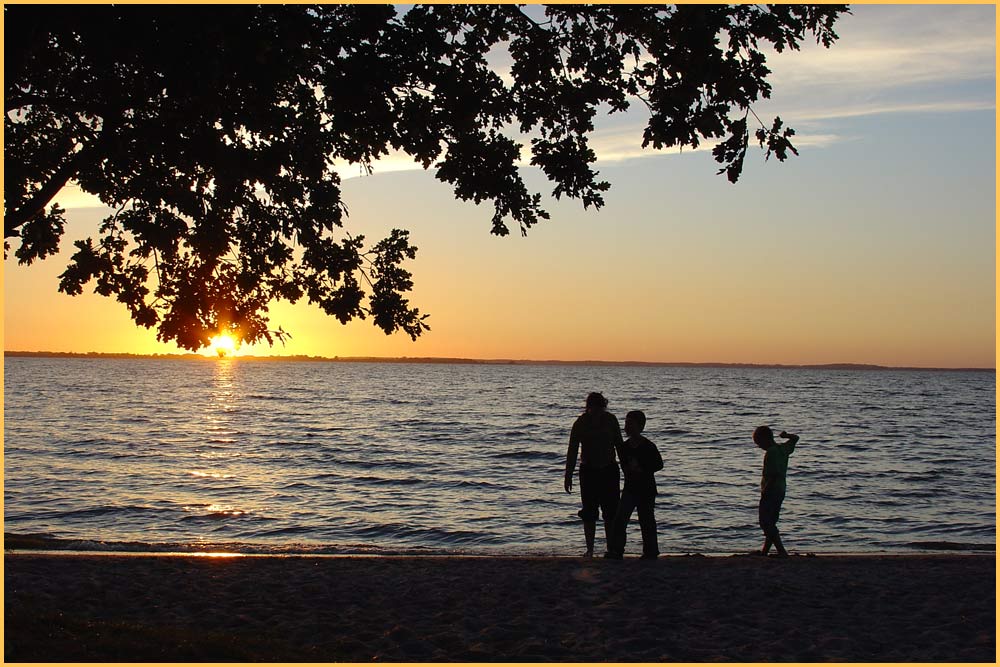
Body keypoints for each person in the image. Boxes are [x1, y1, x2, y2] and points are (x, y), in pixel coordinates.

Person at [565, 392, 624, 557]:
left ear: (603, 407)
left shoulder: (611, 420)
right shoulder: (581, 423)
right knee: (589, 512)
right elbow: (572, 449)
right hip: (588, 470)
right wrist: (568, 474)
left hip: (609, 470)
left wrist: (627, 469)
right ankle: (590, 549)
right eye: (593, 408)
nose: (596, 412)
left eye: (599, 408)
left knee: (611, 512)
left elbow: (619, 445)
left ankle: (611, 548)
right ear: (588, 407)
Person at [607, 410, 663, 559]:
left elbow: (658, 464)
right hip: (630, 488)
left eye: (630, 424)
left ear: (640, 426)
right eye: (626, 423)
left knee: (647, 521)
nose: (627, 427)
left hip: (646, 488)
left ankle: (650, 551)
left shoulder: (648, 446)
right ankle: (616, 550)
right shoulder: (624, 447)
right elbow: (624, 465)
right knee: (620, 519)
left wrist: (642, 468)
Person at [753, 425, 800, 557]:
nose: (759, 447)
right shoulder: (783, 449)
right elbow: (796, 438)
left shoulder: (771, 453)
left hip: (771, 491)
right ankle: (765, 551)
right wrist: (786, 436)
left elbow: (773, 474)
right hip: (781, 490)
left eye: (759, 443)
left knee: (765, 522)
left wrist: (765, 492)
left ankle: (781, 551)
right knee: (771, 522)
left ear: (764, 439)